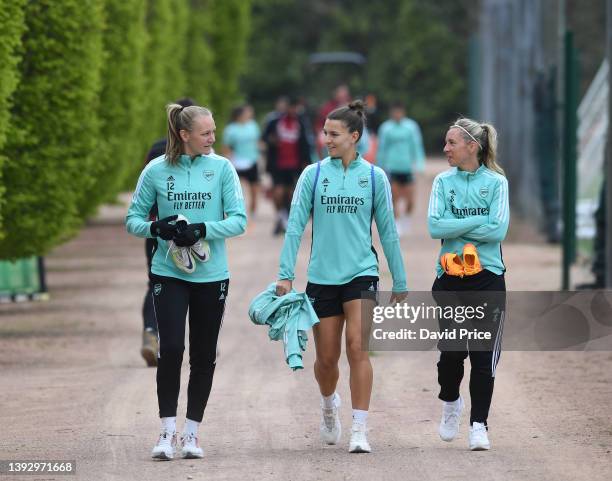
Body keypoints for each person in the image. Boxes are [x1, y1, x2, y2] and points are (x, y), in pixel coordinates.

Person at [275, 100, 407, 453]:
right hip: (321, 278)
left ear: (354, 136)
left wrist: (400, 278)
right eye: (325, 134)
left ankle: (360, 428)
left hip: (361, 274)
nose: (326, 140)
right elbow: (294, 228)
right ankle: (329, 404)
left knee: (358, 348)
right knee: (327, 359)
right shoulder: (313, 175)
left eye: (333, 134)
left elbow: (388, 232)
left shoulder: (375, 177)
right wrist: (285, 275)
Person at [126, 103, 246, 460]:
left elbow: (239, 221)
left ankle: (191, 434)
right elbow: (132, 219)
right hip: (168, 272)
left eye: (213, 131)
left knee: (203, 355)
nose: (213, 138)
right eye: (206, 132)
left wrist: (203, 229)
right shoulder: (156, 170)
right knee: (172, 349)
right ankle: (166, 431)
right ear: (184, 135)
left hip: (213, 275)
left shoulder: (222, 169)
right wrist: (155, 228)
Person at [427, 117, 509, 451]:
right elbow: (435, 226)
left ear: (471, 147)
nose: (445, 149)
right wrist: (478, 221)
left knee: (482, 356)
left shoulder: (497, 183)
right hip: (450, 279)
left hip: (487, 278)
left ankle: (479, 424)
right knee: (451, 354)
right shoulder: (442, 182)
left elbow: (498, 231)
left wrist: (456, 225)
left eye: (451, 143)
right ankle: (450, 402)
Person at [139, 98, 195, 367]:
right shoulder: (198, 153)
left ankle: (151, 332)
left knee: (157, 283)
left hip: (156, 229)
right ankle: (196, 340)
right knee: (196, 286)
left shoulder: (155, 150)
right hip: (191, 232)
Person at [262, 97, 311, 235]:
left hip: (294, 164)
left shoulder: (300, 123)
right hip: (277, 163)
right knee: (277, 193)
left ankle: (285, 220)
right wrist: (272, 140)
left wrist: (306, 162)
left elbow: (305, 144)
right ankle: (280, 217)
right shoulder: (274, 122)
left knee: (290, 193)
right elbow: (264, 137)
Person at [377, 102, 425, 234]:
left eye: (399, 112)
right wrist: (380, 167)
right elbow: (382, 148)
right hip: (392, 167)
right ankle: (397, 223)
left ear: (403, 113)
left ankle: (406, 217)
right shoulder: (386, 128)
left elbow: (417, 145)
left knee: (410, 199)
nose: (397, 114)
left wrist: (420, 164)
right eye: (394, 112)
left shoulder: (411, 127)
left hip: (407, 167)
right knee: (394, 197)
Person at [222, 104, 261, 216]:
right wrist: (228, 160)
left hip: (252, 161)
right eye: (247, 112)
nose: (249, 114)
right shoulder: (231, 129)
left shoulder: (253, 126)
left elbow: (257, 142)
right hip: (237, 162)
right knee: (233, 188)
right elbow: (226, 146)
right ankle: (233, 210)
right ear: (239, 115)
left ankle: (253, 212)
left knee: (254, 187)